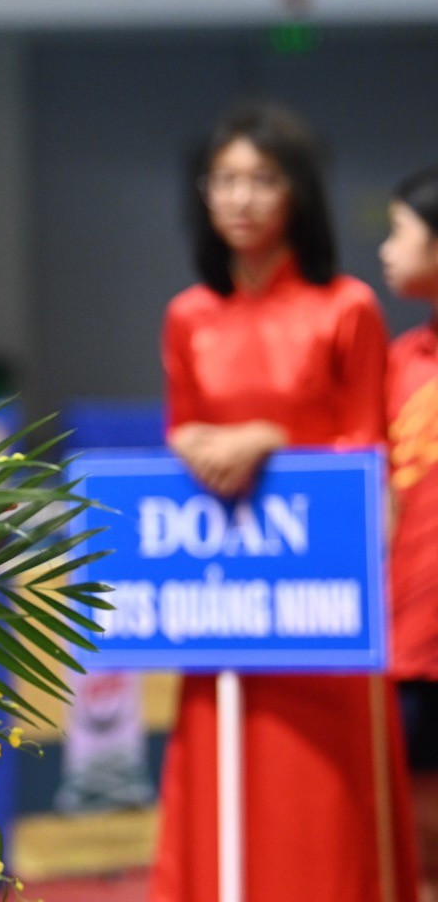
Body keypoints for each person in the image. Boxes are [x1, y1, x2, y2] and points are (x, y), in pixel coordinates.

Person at [150, 100, 416, 902]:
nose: (241, 198)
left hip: (322, 610)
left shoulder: (348, 308)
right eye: (225, 180)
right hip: (226, 606)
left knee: (324, 817)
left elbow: (370, 460)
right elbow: (182, 436)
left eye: (262, 180)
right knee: (223, 786)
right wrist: (191, 444)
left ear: (297, 192)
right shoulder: (188, 318)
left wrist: (266, 436)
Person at [382, 164, 438, 894]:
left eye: (399, 233)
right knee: (414, 829)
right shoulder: (396, 362)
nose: (387, 251)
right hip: (408, 638)